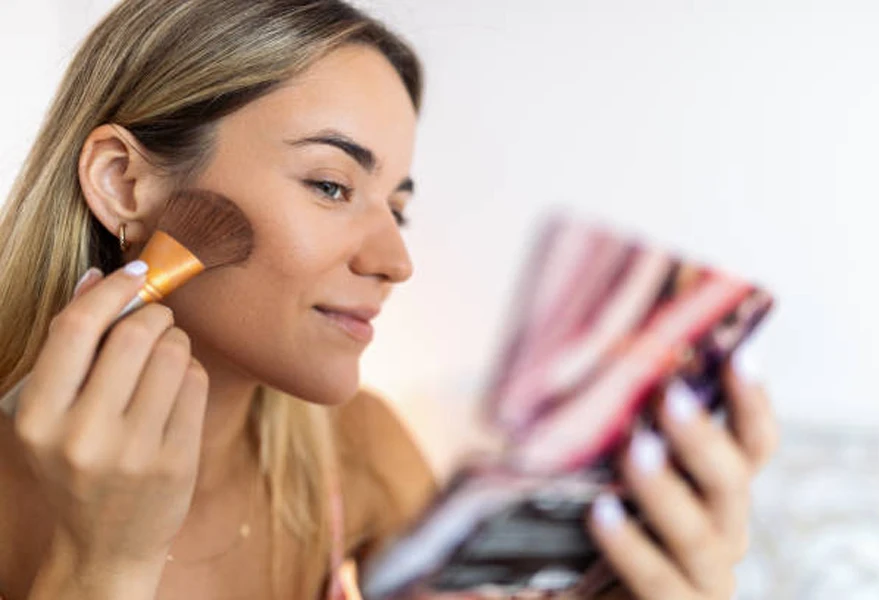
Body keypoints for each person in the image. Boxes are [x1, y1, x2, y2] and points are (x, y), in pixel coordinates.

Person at [0, 1, 779, 599]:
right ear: (123, 182)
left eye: (395, 207)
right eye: (332, 185)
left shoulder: (357, 456)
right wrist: (101, 565)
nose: (395, 261)